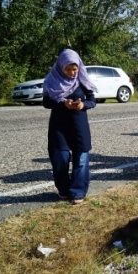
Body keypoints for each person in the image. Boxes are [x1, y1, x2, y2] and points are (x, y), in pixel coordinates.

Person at [42, 49, 98, 204]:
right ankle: (64, 189)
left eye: (75, 69)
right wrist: (62, 103)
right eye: (69, 70)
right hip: (59, 125)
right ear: (61, 67)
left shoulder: (82, 80)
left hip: (79, 124)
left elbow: (93, 101)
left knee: (81, 158)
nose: (73, 73)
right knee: (60, 158)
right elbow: (46, 102)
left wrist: (83, 104)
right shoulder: (51, 80)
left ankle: (78, 191)